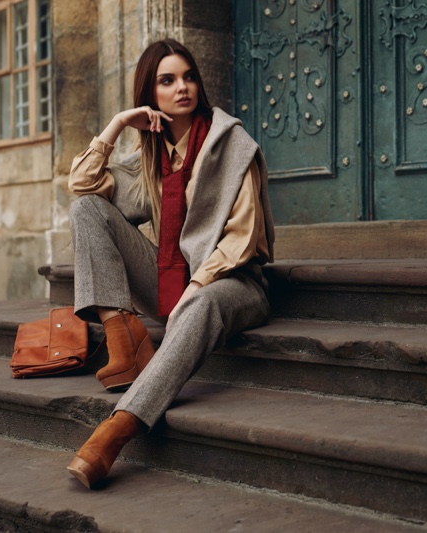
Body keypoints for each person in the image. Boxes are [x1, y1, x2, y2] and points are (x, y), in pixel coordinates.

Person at [65, 38, 274, 489]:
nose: (183, 87)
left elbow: (241, 240)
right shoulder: (152, 157)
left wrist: (196, 290)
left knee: (200, 306)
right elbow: (82, 185)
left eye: (188, 76)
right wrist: (120, 123)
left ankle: (117, 430)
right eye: (167, 80)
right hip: (170, 283)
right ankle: (126, 342)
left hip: (233, 283)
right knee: (87, 210)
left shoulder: (232, 144)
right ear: (150, 94)